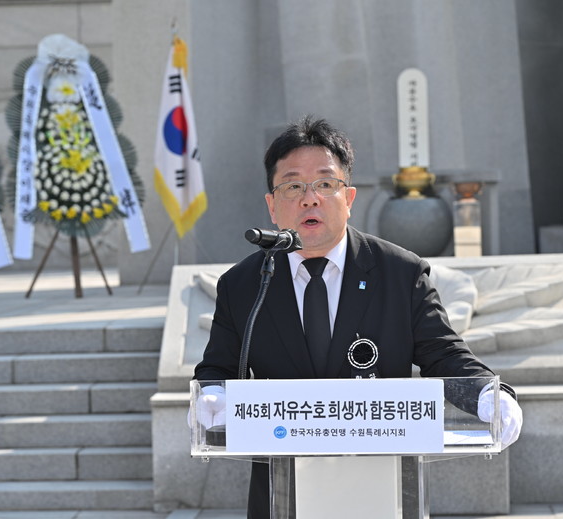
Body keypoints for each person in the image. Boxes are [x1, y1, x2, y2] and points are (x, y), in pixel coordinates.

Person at [193, 115, 523, 518]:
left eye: (324, 184)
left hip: (380, 487)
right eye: (293, 186)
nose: (309, 199)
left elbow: (445, 354)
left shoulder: (399, 273)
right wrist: (212, 394)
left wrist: (488, 394)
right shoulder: (245, 284)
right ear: (272, 206)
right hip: (283, 492)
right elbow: (218, 368)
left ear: (348, 199)